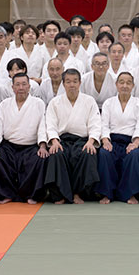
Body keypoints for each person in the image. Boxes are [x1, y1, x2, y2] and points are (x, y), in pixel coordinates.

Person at [0, 73, 48, 204]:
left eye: (24, 84)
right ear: (12, 87)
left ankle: (31, 195)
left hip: (30, 146)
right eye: (17, 84)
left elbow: (42, 126)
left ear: (29, 86)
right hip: (9, 146)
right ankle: (5, 194)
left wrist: (43, 146)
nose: (21, 87)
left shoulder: (38, 103)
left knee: (41, 158)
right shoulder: (5, 104)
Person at [41, 69, 103, 204]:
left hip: (82, 141)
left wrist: (91, 141)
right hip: (62, 140)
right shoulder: (55, 102)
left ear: (80, 83)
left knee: (88, 153)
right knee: (56, 154)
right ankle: (60, 195)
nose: (72, 85)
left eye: (75, 81)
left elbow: (95, 124)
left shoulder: (89, 101)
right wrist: (54, 140)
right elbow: (50, 124)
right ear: (63, 84)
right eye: (68, 82)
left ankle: (78, 193)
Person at [97, 72, 139, 203]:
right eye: (122, 82)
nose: (125, 85)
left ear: (133, 85)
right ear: (116, 84)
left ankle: (130, 194)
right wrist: (105, 140)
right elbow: (104, 124)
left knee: (135, 155)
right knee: (104, 153)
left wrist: (136, 143)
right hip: (112, 140)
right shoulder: (108, 103)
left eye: (128, 83)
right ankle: (107, 193)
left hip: (130, 141)